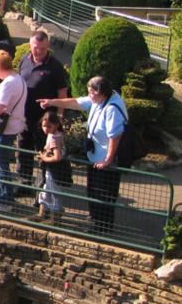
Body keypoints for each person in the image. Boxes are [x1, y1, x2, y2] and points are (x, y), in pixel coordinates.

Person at [38, 76, 128, 234]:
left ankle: (103, 228)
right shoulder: (97, 100)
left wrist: (108, 160)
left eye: (92, 92)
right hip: (95, 156)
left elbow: (115, 136)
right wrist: (52, 102)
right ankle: (95, 220)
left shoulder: (112, 109)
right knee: (93, 191)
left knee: (104, 194)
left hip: (106, 160)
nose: (89, 95)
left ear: (101, 93)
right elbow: (75, 102)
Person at [17, 30, 68, 190]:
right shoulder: (24, 60)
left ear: (48, 47)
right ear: (30, 45)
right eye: (35, 47)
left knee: (43, 152)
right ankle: (24, 183)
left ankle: (41, 189)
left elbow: (62, 93)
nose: (38, 51)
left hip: (45, 121)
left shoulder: (55, 66)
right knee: (23, 150)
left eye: (42, 48)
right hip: (24, 117)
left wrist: (59, 116)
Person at [0, 50, 26, 212]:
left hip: (3, 129)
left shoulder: (9, 82)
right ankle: (1, 194)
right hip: (13, 127)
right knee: (2, 163)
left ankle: (3, 202)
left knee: (1, 165)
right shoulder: (19, 79)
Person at [36, 111, 66, 224]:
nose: (46, 129)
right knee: (45, 190)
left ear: (56, 125)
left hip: (54, 170)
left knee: (54, 192)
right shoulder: (54, 134)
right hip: (51, 170)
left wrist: (44, 158)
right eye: (44, 126)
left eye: (49, 126)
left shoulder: (54, 138)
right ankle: (42, 214)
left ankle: (54, 218)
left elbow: (57, 157)